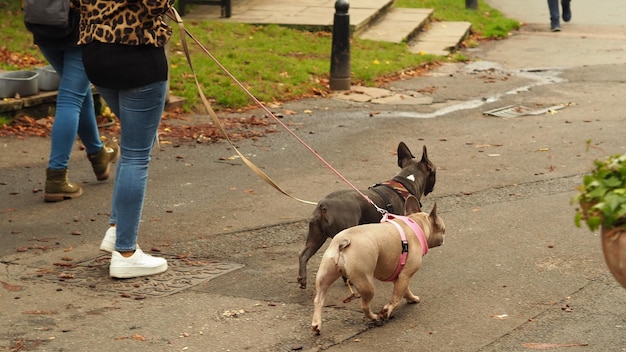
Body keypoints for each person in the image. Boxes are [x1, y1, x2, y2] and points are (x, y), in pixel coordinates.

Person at [73, 0, 174, 278]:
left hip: (95, 52)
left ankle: (117, 230)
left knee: (134, 146)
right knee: (136, 154)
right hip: (136, 52)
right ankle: (126, 253)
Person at [24, 6, 119, 202]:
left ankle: (98, 155)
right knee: (71, 98)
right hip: (78, 27)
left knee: (78, 91)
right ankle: (56, 176)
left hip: (43, 23)